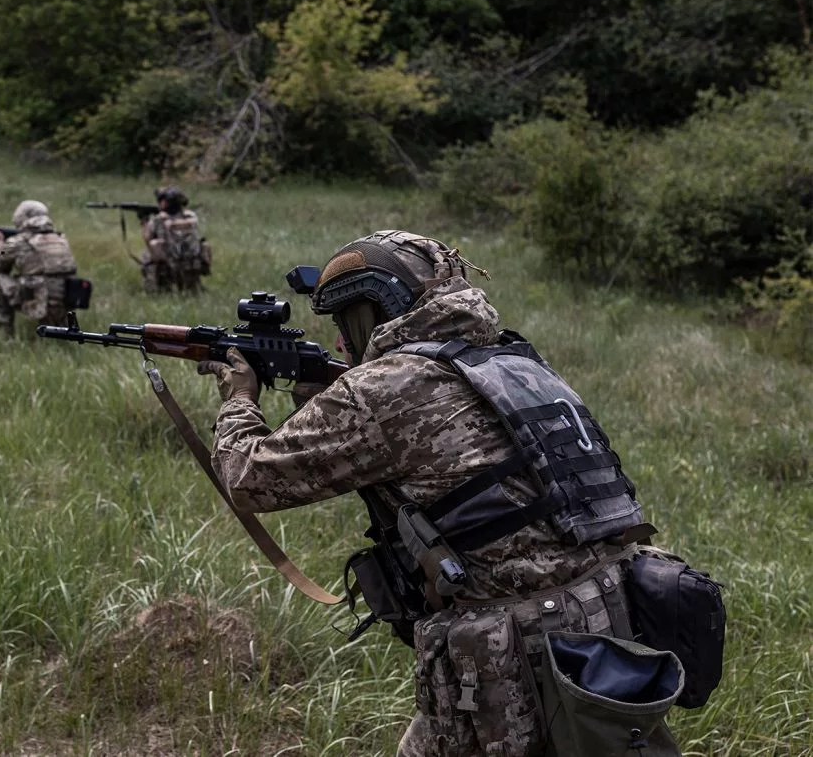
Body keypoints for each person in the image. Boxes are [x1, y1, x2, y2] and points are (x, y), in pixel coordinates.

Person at [196, 230, 680, 756]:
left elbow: (249, 480)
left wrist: (239, 399)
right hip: (603, 618)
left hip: (512, 651)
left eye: (345, 323)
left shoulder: (383, 388)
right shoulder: (513, 359)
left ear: (377, 309)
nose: (339, 343)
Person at [0, 200, 77, 338]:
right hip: (67, 302)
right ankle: (61, 330)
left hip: (40, 302)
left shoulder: (17, 242)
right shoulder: (61, 239)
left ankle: (5, 335)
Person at [141, 186, 211, 293]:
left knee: (149, 251)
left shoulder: (158, 220)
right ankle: (192, 286)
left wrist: (144, 222)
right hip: (192, 262)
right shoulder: (190, 216)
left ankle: (157, 286)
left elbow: (147, 238)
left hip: (169, 264)